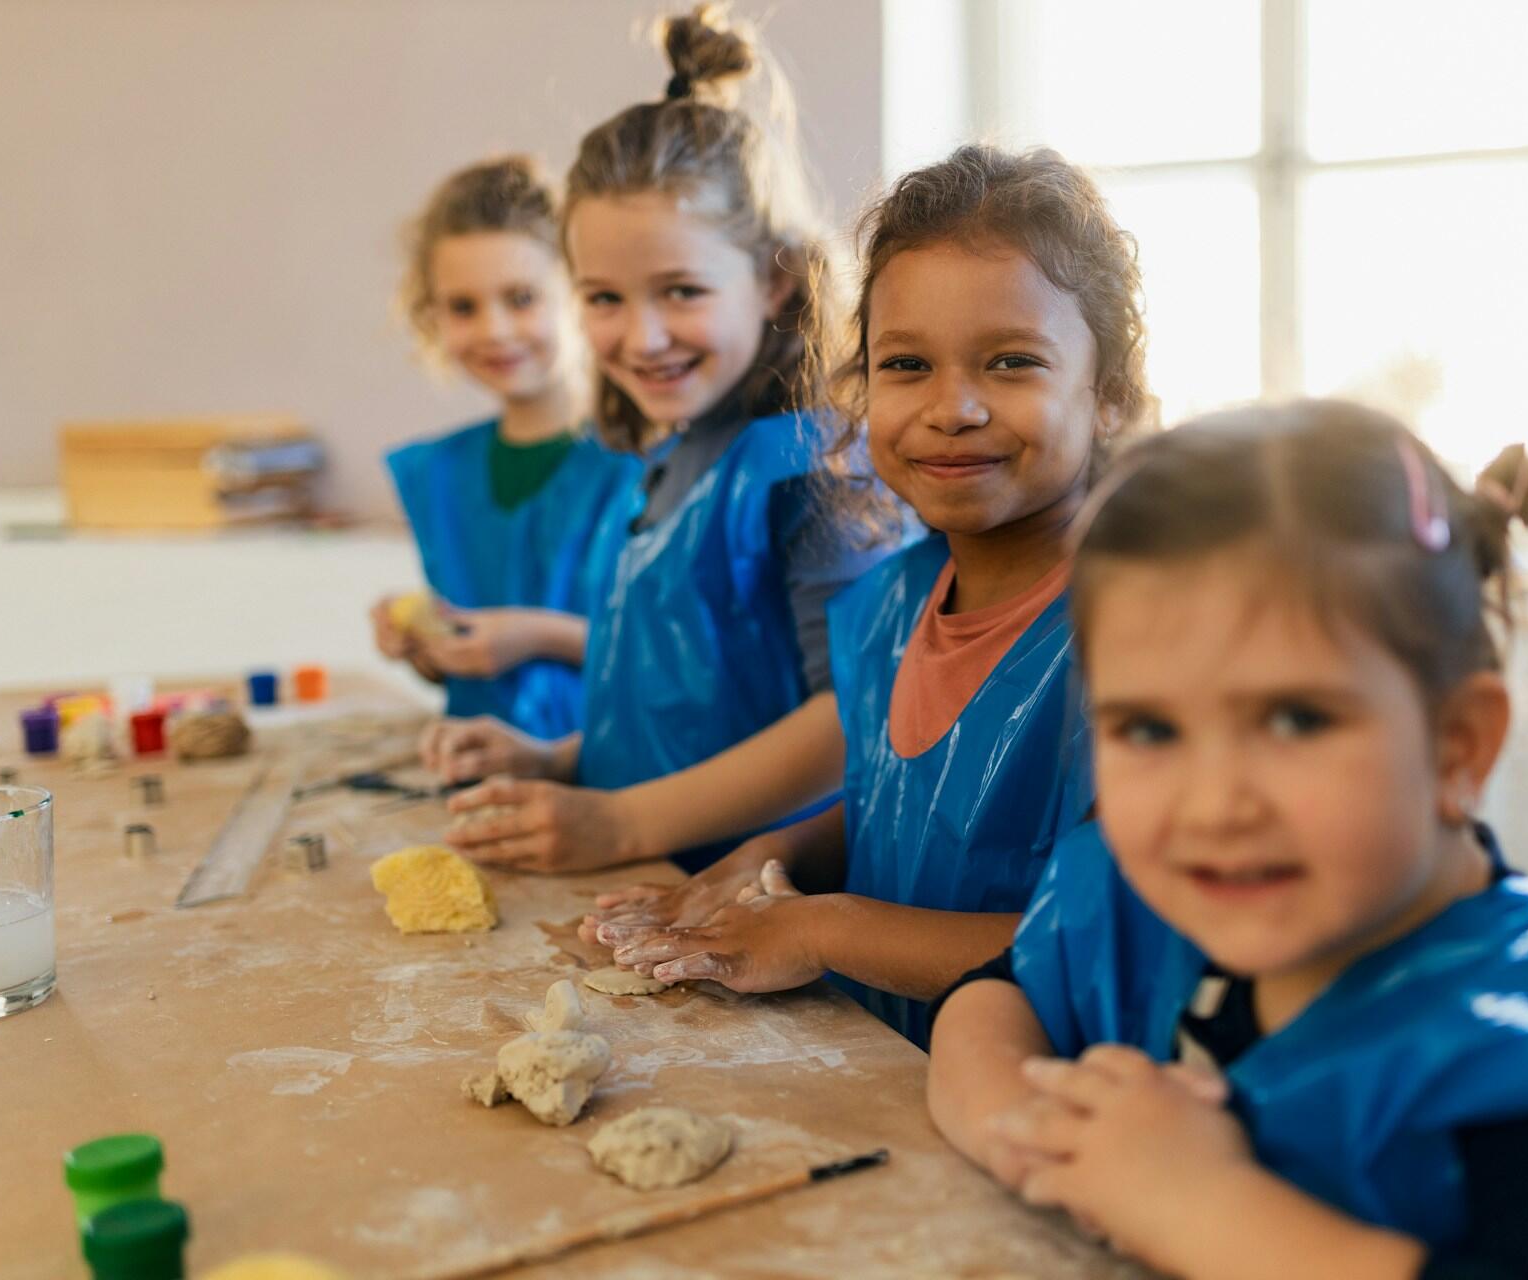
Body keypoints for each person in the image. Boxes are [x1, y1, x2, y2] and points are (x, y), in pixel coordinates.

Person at [928, 402, 1528, 1279]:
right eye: (1149, 730)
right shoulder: (1169, 898)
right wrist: (1040, 1132)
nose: (1210, 805)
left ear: (1456, 746)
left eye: (1294, 719)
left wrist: (1196, 1206)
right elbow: (991, 1003)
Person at [585, 144, 1150, 1044]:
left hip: (1046, 1122)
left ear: (1110, 395)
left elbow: (1111, 945)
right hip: (896, 1088)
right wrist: (781, 853)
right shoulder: (889, 605)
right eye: (906, 365)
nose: (952, 406)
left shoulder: (1140, 639)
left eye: (1010, 362)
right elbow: (909, 809)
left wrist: (822, 927)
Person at [418, 3, 898, 871]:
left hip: (782, 917)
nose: (641, 339)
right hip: (660, 897)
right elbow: (691, 712)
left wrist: (623, 824)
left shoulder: (812, 467)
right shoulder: (668, 460)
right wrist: (558, 763)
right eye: (604, 298)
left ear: (775, 282)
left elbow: (851, 722)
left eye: (681, 290)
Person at [374, 155, 634, 736]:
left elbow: (691, 668)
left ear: (581, 294)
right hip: (480, 781)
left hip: (624, 790)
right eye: (463, 307)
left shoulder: (643, 463)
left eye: (521, 298)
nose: (494, 330)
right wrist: (430, 646)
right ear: (430, 314)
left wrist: (541, 637)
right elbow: (477, 681)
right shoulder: (436, 475)